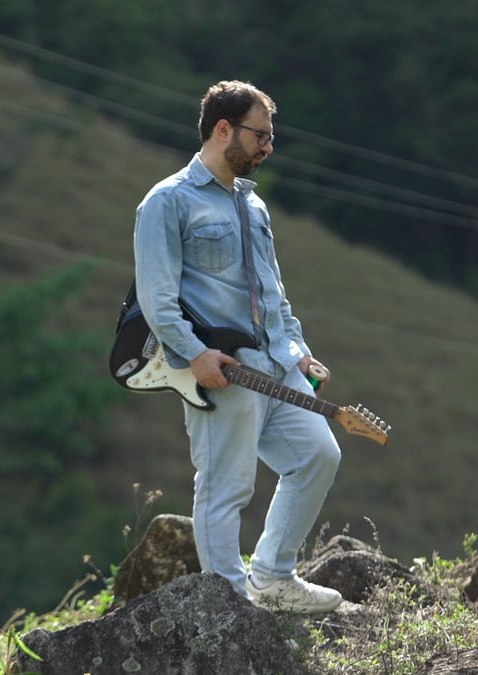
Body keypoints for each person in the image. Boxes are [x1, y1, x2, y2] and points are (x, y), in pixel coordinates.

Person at [132, 80, 344, 613]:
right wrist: (194, 354)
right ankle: (228, 603)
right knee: (226, 486)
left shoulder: (254, 206)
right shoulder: (166, 201)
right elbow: (155, 299)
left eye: (270, 138)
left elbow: (272, 291)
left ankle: (273, 578)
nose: (268, 148)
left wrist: (297, 349)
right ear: (223, 129)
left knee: (319, 455)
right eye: (261, 136)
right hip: (222, 371)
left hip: (277, 365)